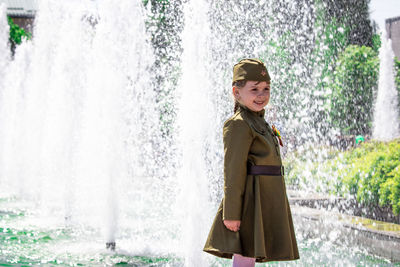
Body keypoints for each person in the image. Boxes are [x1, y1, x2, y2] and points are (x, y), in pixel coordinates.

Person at [203, 59, 299, 266]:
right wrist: (231, 213)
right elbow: (233, 170)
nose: (261, 94)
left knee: (251, 253)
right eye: (254, 89)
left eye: (266, 88)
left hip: (266, 196)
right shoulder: (238, 124)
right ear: (236, 93)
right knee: (246, 252)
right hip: (250, 199)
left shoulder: (261, 122)